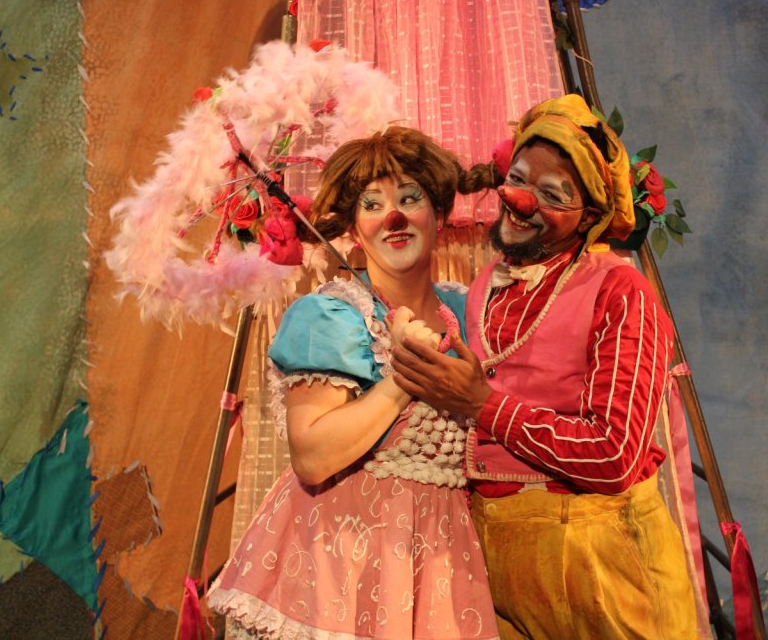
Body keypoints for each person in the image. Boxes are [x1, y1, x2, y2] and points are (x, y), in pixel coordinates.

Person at [391, 95, 702, 639]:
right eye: (517, 179)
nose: (519, 200)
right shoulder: (486, 283)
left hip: (600, 558)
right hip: (495, 552)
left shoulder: (620, 292)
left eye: (552, 195)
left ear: (590, 217)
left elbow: (614, 455)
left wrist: (482, 405)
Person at [207, 126, 499, 640]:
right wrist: (406, 373)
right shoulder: (334, 316)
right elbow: (313, 456)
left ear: (438, 212)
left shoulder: (470, 312)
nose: (394, 218)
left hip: (441, 568)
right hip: (340, 567)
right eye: (372, 205)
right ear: (354, 228)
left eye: (410, 198)